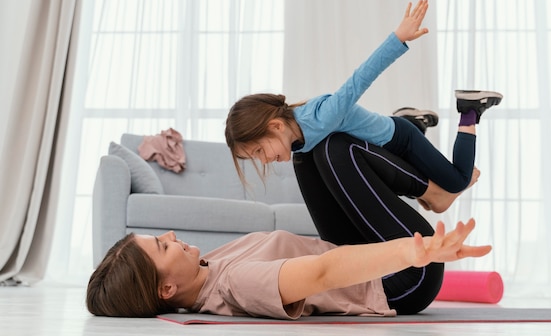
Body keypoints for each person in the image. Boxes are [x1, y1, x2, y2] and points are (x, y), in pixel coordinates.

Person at [86, 133, 491, 319]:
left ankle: (412, 139)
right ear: (167, 289)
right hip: (401, 281)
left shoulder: (205, 268)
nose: (171, 236)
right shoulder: (237, 284)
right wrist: (412, 252)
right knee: (338, 150)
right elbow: (322, 272)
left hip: (357, 254)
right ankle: (436, 188)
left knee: (306, 148)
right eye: (161, 246)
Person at [224, 0, 502, 202]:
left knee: (456, 181)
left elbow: (359, 81)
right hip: (383, 145)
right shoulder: (297, 143)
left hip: (399, 141)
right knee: (421, 198)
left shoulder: (321, 116)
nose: (265, 160)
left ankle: (469, 110)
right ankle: (412, 120)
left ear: (275, 126)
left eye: (259, 151)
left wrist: (398, 39)